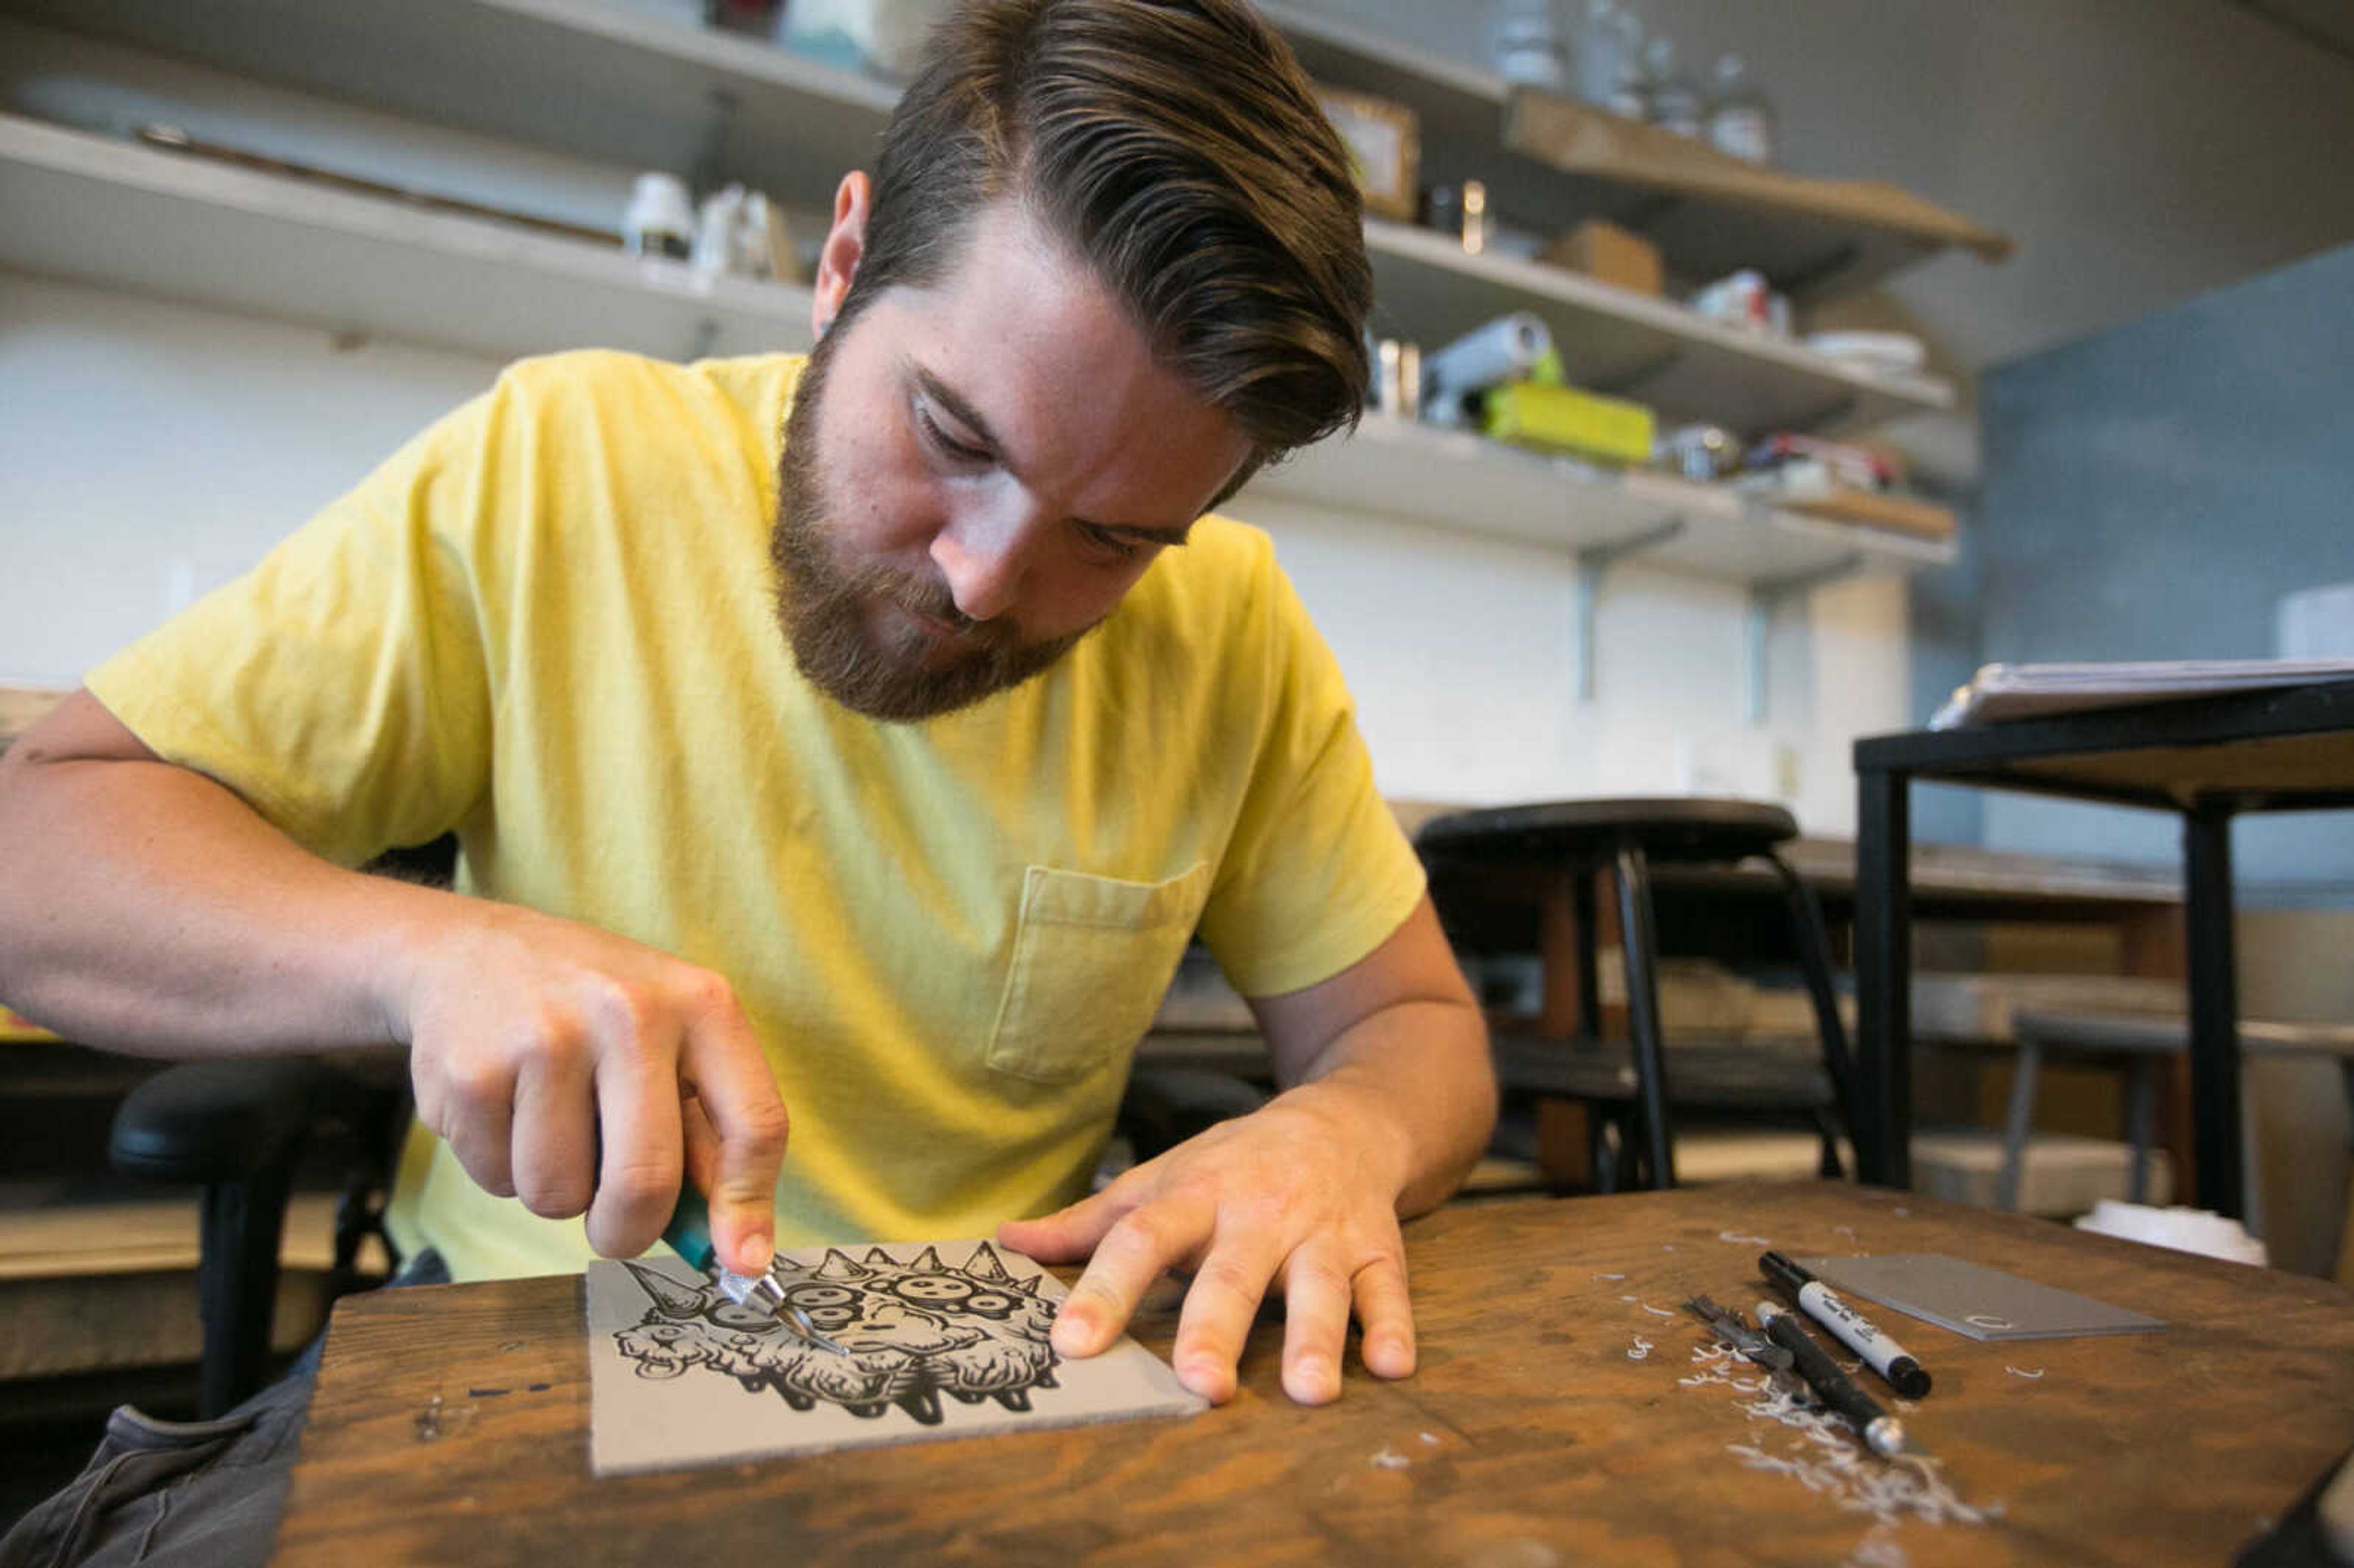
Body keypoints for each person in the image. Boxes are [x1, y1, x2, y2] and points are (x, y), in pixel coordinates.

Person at [0, 0, 1493, 1531]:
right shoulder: (560, 465)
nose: (986, 582)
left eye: (1110, 539)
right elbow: (33, 843)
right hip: (535, 1353)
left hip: (1010, 1384)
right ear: (842, 265)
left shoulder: (1232, 630)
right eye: (955, 438)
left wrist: (1341, 1130)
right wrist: (422, 954)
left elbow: (1416, 1023)